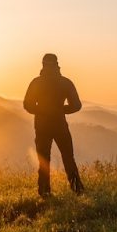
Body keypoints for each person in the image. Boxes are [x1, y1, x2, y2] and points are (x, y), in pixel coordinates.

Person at [23, 53, 84, 197]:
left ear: (43, 64)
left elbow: (27, 105)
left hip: (42, 126)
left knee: (44, 159)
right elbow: (76, 105)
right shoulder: (65, 82)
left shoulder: (36, 82)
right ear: (57, 64)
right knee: (68, 157)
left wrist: (42, 110)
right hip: (60, 125)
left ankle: (44, 192)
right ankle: (77, 189)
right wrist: (61, 110)